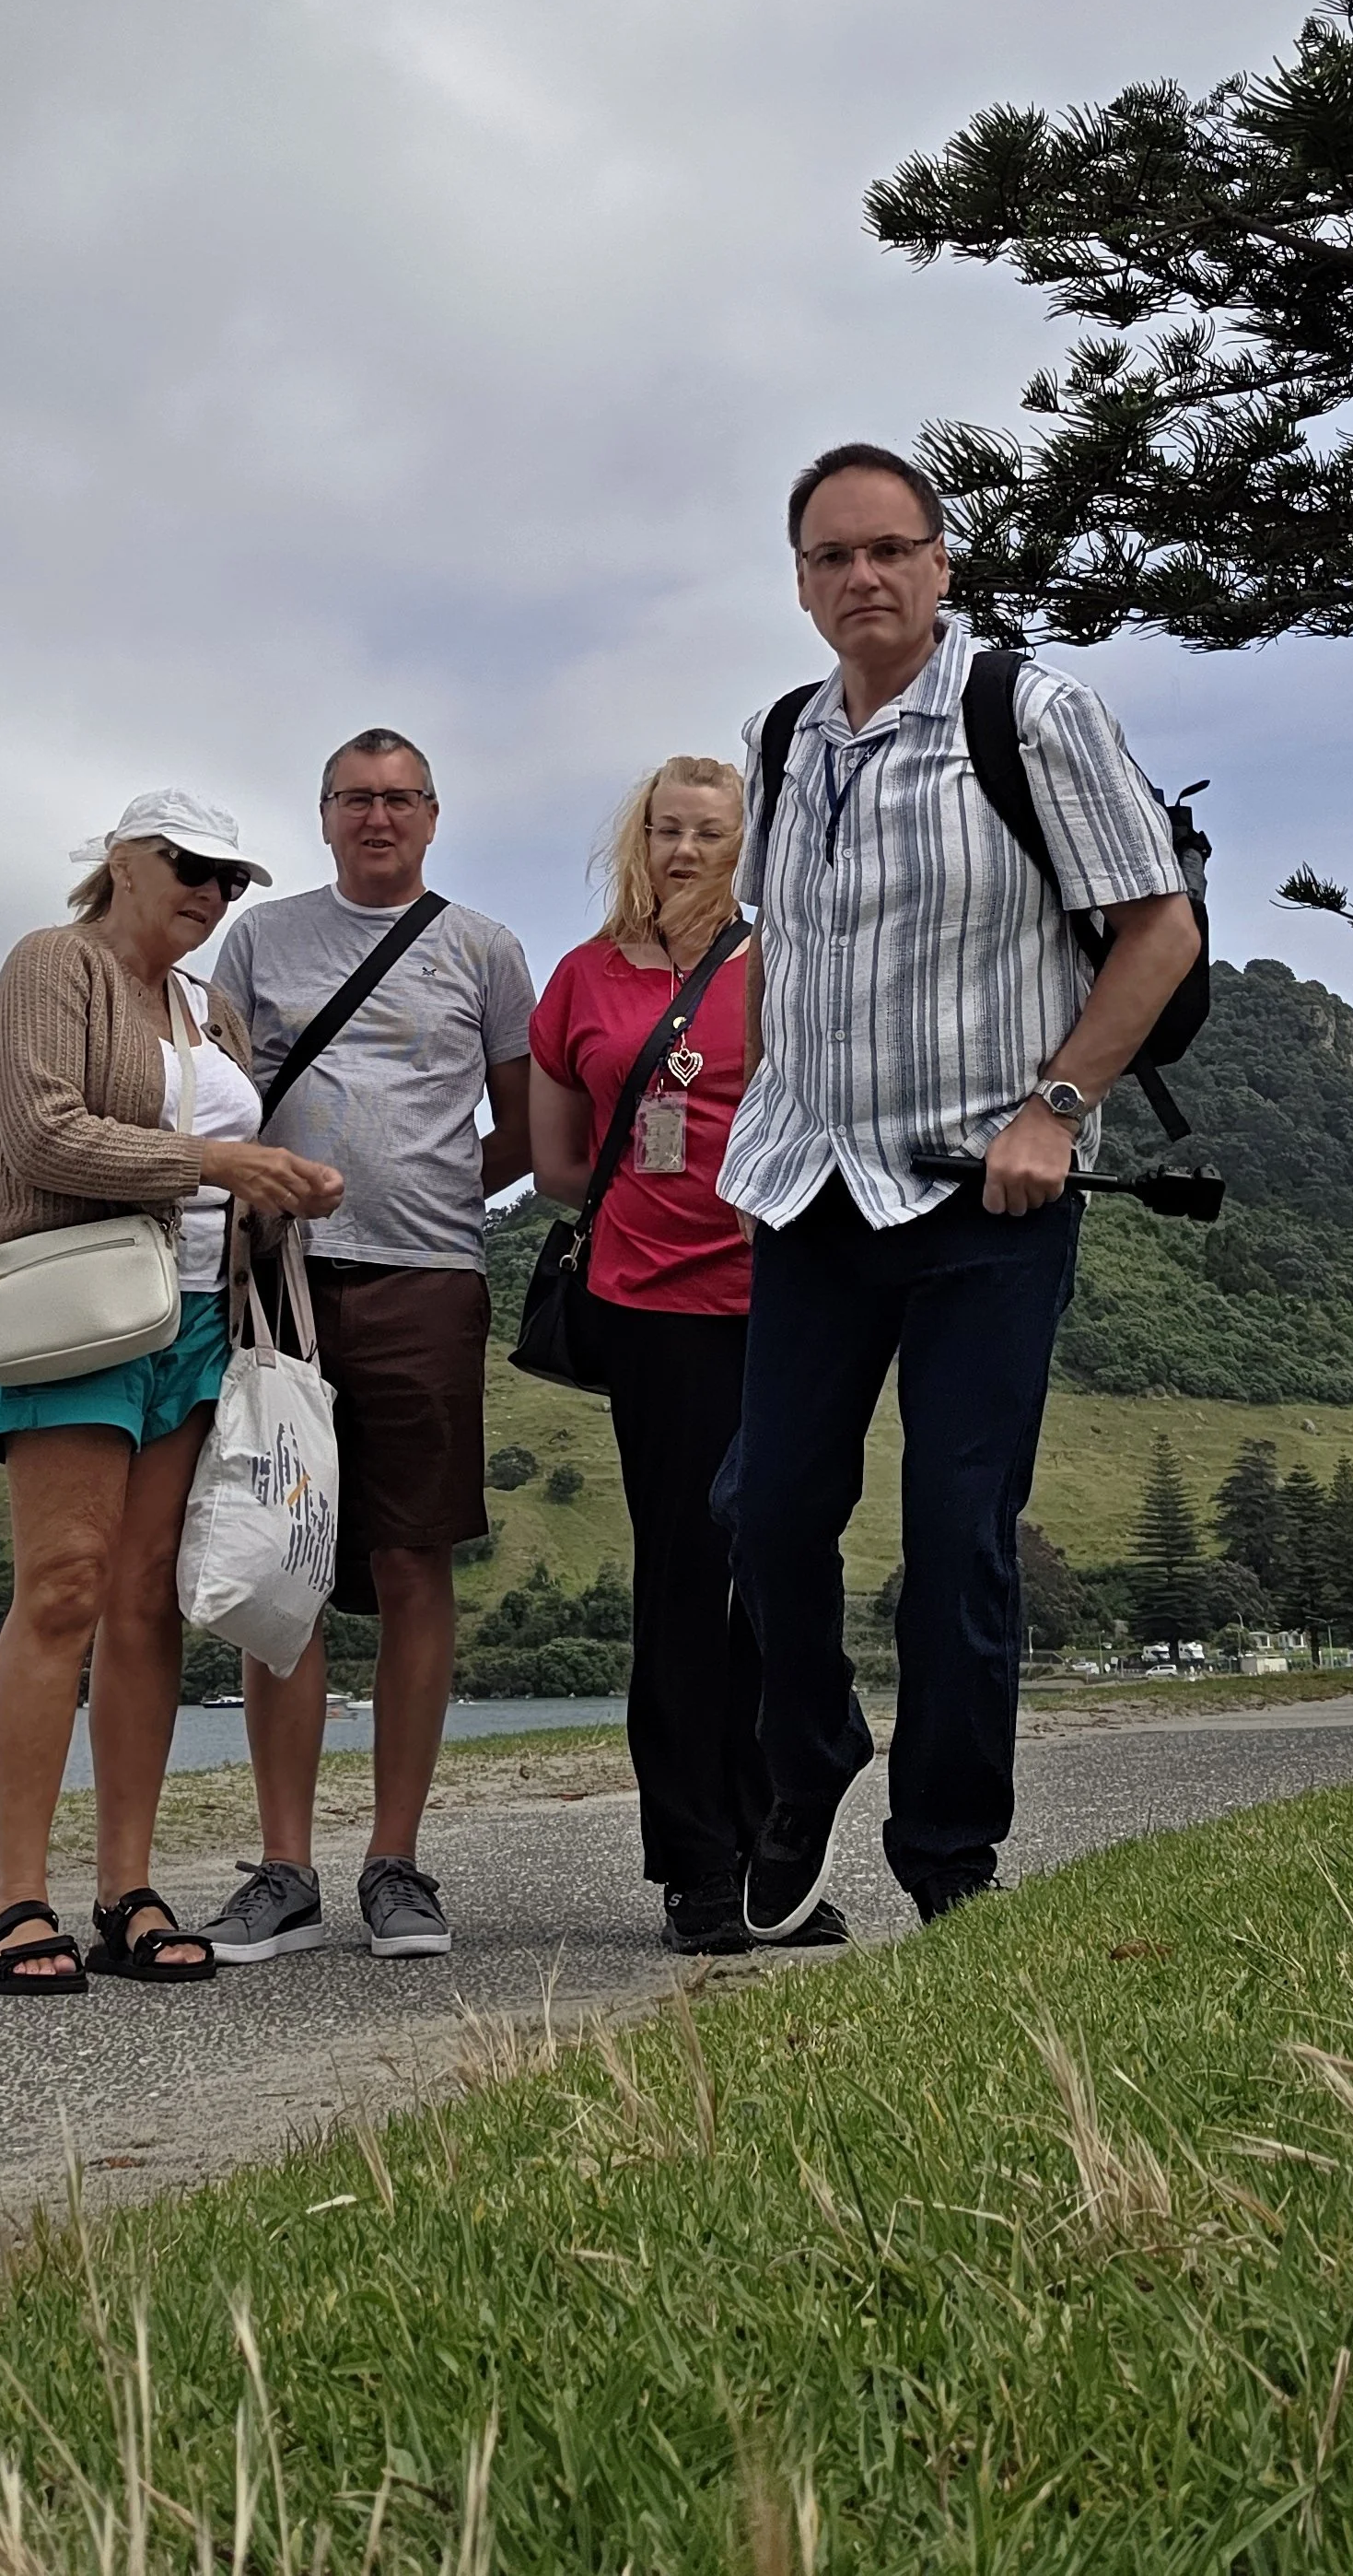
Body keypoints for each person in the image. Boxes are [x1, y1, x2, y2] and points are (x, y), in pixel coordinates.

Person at [717, 444, 1201, 1938]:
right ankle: (810, 1769)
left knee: (958, 1530)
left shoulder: (1033, 714)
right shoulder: (780, 737)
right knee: (767, 1512)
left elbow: (1158, 929)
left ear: (942, 561)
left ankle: (948, 1862)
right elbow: (780, 947)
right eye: (831, 558)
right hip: (809, 1187)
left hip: (984, 1196)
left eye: (890, 549)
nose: (863, 577)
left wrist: (1055, 1111)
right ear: (800, 588)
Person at [0, 790, 343, 1997]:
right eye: (186, 864)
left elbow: (212, 1164)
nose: (210, 891)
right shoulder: (54, 966)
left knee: (146, 1602)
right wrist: (217, 1160)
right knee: (64, 1584)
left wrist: (273, 1190)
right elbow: (40, 1134)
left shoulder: (210, 1008)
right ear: (122, 862)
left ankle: (124, 1885)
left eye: (230, 878)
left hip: (192, 1320)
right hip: (79, 1307)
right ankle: (14, 1902)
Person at [205, 729, 534, 1961]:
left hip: (428, 1277)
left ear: (436, 817)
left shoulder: (487, 950)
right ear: (325, 815)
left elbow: (526, 1121)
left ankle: (395, 1862)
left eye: (402, 799)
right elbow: (226, 1102)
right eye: (357, 799)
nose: (379, 817)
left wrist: (441, 1185)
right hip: (280, 1282)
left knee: (411, 1561)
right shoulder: (261, 940)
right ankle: (284, 1868)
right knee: (279, 1568)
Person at [529, 759, 846, 1958]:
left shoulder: (785, 963)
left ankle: (777, 1851)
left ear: (744, 847)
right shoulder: (584, 980)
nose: (684, 851)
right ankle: (693, 1866)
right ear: (638, 840)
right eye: (666, 830)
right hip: (646, 1308)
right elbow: (561, 1163)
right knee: (680, 1578)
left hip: (781, 1301)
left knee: (775, 1571)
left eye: (711, 834)